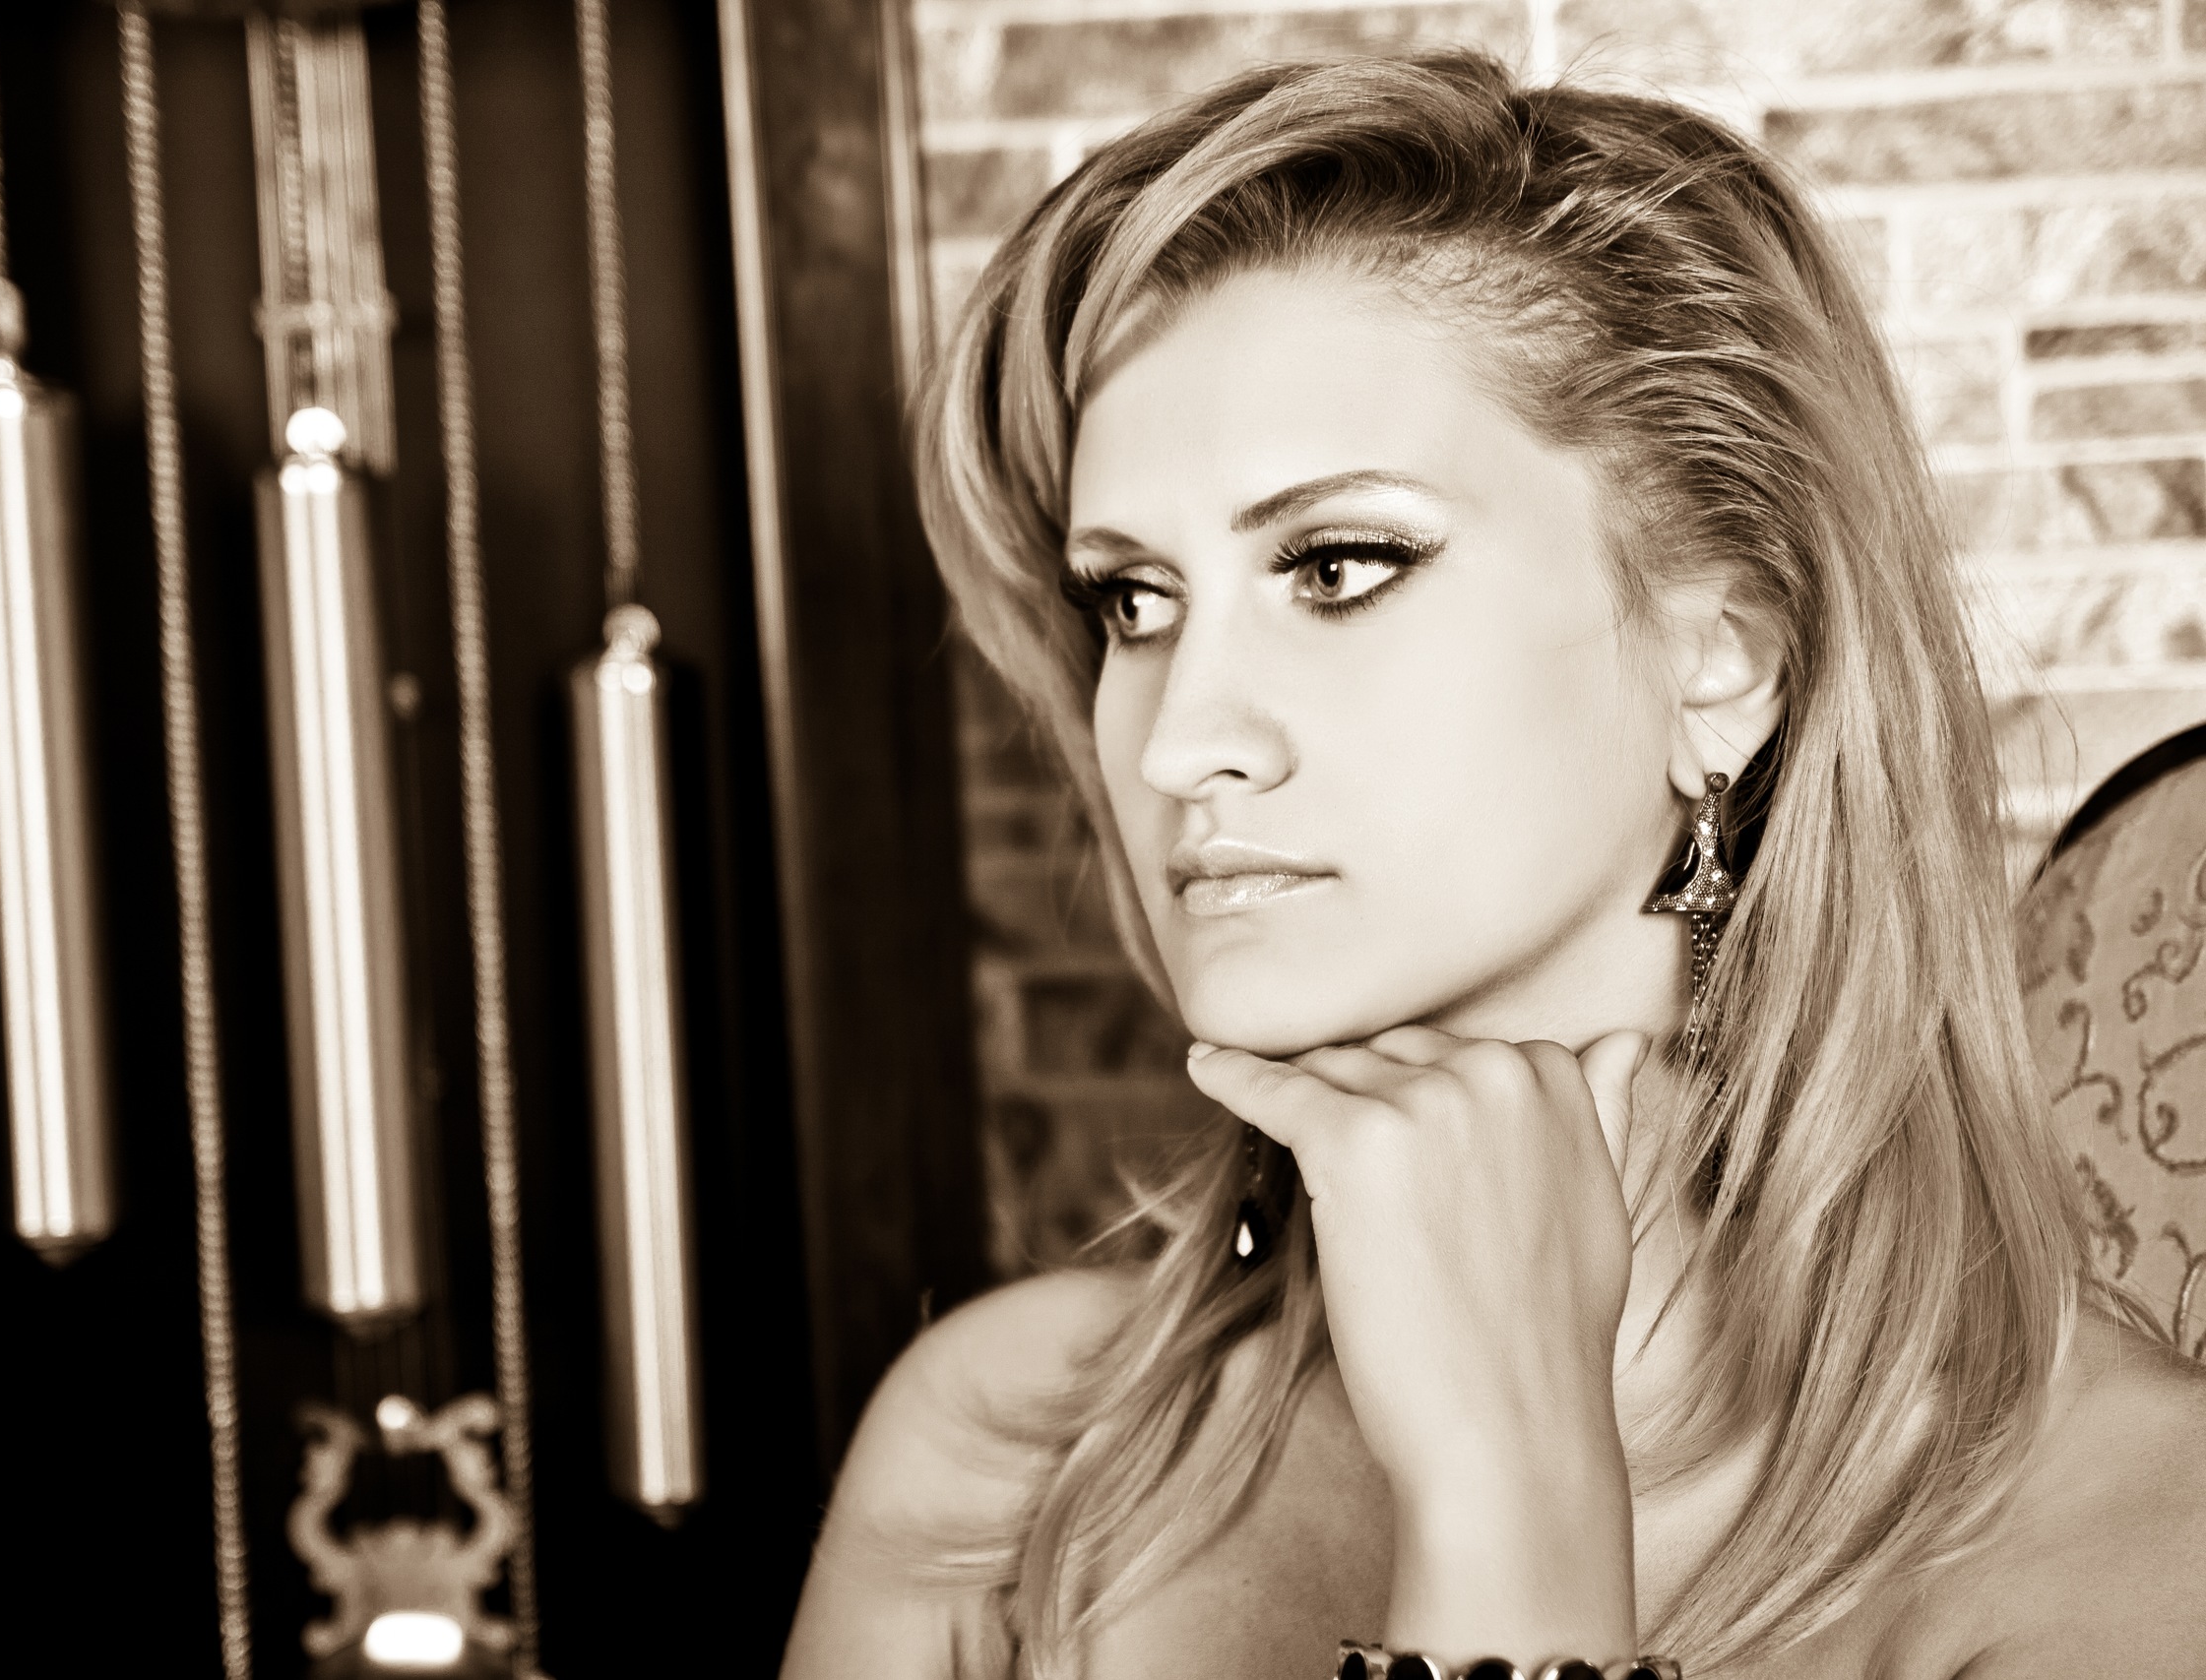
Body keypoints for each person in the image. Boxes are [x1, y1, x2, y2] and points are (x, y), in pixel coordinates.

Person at [780, 50, 2206, 1679]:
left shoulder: (2142, 1547)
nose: (1176, 743)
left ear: (1722, 658)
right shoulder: (1010, 1465)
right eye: (1134, 601)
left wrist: (1509, 1504)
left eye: (1339, 565)